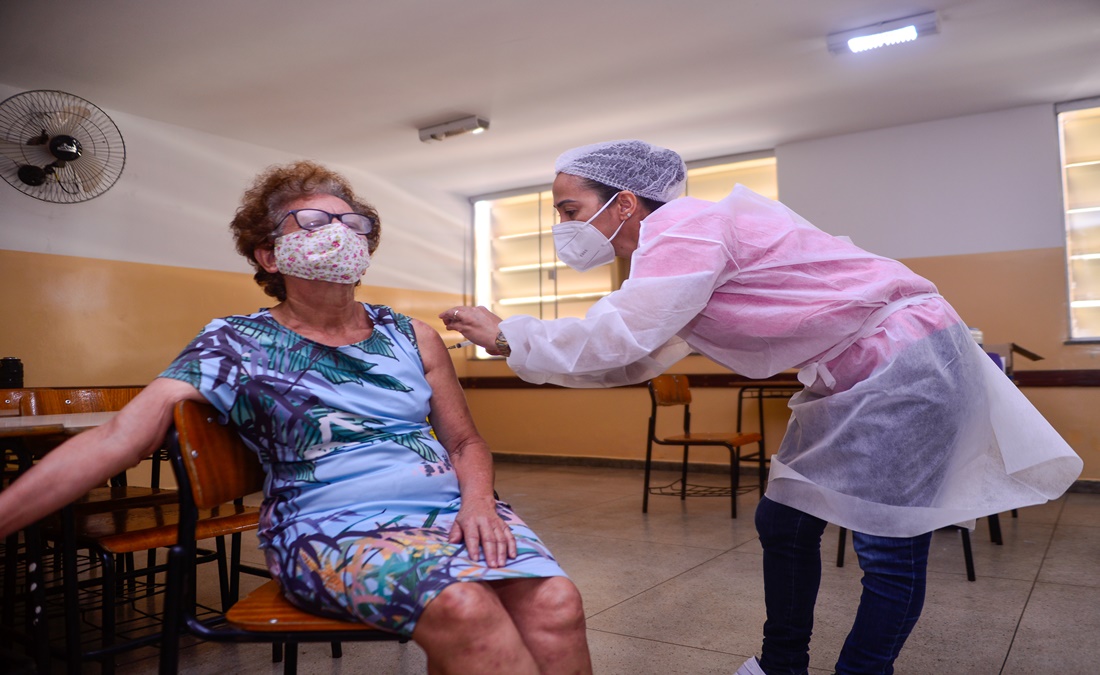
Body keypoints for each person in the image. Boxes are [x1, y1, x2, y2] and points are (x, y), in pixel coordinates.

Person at [441, 139, 1082, 675]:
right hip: (855, 374)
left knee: (890, 544)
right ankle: (782, 664)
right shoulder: (672, 253)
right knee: (785, 521)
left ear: (624, 201)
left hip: (906, 362)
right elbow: (635, 356)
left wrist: (507, 333)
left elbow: (622, 334)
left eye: (568, 207)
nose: (563, 225)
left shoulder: (687, 227)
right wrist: (512, 348)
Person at [0, 161, 592, 675]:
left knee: (557, 602)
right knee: (464, 609)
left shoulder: (411, 335)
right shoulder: (233, 342)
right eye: (313, 222)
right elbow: (118, 436)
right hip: (329, 521)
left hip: (455, 509)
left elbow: (465, 443)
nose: (337, 232)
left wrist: (480, 504)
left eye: (350, 223)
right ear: (268, 253)